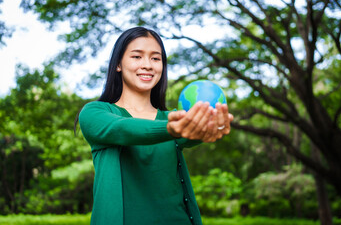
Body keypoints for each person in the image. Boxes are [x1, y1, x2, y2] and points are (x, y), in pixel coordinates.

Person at [78, 27, 233, 225]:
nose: (147, 65)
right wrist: (170, 129)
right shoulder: (95, 113)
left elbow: (194, 132)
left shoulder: (173, 119)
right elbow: (122, 129)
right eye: (137, 56)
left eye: (155, 58)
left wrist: (212, 126)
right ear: (118, 64)